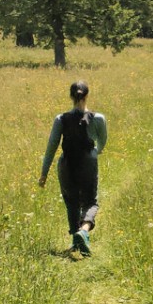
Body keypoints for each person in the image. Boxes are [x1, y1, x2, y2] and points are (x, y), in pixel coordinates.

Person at [39, 80, 108, 257]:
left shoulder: (60, 119)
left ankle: (76, 241)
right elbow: (102, 141)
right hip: (88, 163)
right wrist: (95, 152)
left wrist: (44, 174)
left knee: (71, 203)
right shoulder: (98, 118)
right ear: (87, 95)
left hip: (66, 164)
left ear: (71, 96)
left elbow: (52, 146)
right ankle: (83, 232)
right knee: (91, 202)